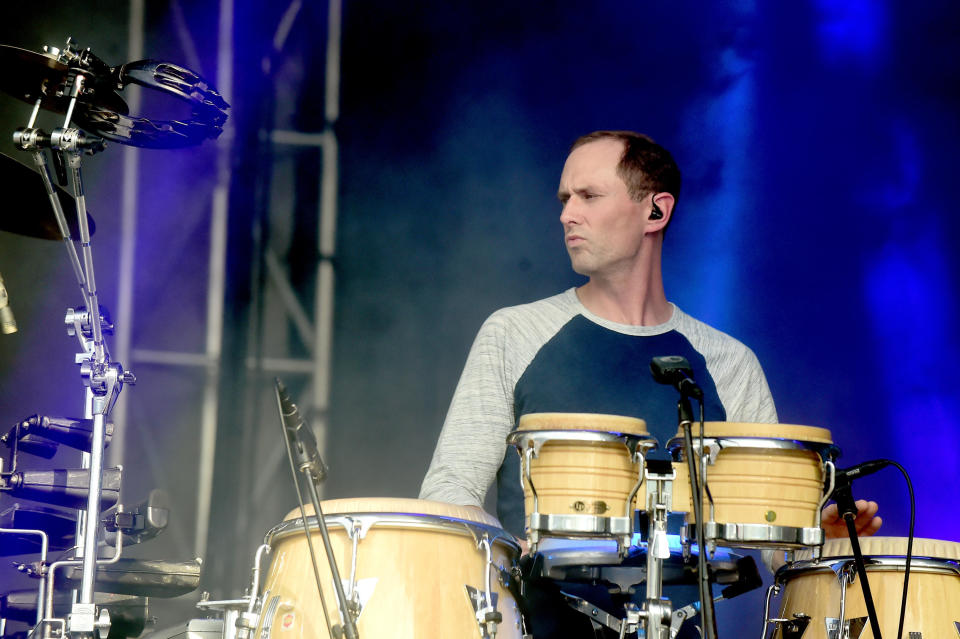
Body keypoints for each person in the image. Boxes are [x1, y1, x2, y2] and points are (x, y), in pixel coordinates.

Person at [419, 130, 880, 636]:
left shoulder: (729, 363)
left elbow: (772, 539)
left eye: (589, 196)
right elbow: (449, 494)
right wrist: (509, 552)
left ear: (655, 212)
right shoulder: (514, 334)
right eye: (565, 198)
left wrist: (822, 540)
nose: (567, 214)